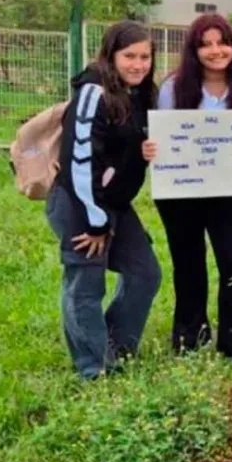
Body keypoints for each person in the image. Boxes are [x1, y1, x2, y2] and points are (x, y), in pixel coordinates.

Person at [143, 13, 232, 358]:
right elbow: (163, 138)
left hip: (229, 193)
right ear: (193, 50)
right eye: (206, 45)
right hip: (182, 193)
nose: (216, 51)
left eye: (222, 42)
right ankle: (190, 336)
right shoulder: (173, 88)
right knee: (188, 264)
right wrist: (152, 148)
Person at [46, 21, 161, 380]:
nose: (138, 64)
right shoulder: (93, 92)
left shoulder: (140, 93)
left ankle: (114, 346)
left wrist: (141, 150)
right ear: (111, 55)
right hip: (80, 206)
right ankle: (93, 368)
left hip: (115, 206)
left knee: (145, 274)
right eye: (130, 56)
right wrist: (96, 223)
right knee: (86, 285)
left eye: (145, 56)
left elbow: (120, 145)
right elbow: (80, 162)